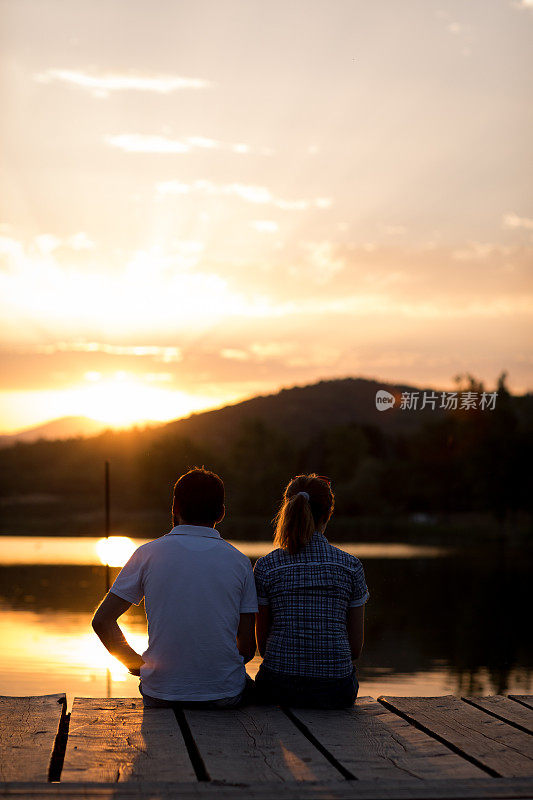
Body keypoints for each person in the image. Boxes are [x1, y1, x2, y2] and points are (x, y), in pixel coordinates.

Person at [92, 467, 258, 708]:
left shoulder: (147, 554)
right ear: (221, 513)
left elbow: (102, 621)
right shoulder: (240, 562)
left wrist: (137, 665)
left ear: (175, 509)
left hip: (159, 694)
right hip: (223, 695)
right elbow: (247, 648)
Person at [253, 474, 369, 709]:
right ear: (328, 514)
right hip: (336, 691)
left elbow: (263, 647)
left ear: (288, 509)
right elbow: (354, 649)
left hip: (277, 688)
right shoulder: (350, 566)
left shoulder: (266, 566)